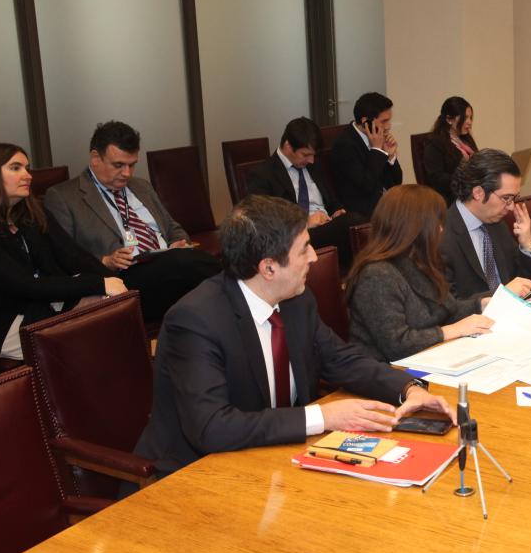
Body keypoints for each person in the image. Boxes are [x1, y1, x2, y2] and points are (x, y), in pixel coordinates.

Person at [133, 194, 454, 477]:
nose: (314, 257)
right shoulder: (196, 321)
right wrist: (322, 416)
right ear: (268, 268)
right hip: (194, 474)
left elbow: (340, 358)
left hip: (273, 457)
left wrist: (408, 389)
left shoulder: (296, 300)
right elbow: (212, 427)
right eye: (304, 249)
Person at [0, 143, 127, 358]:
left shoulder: (31, 213)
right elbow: (24, 285)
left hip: (37, 306)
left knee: (108, 304)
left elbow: (73, 256)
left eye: (27, 168)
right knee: (85, 339)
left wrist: (112, 281)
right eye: (16, 168)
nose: (27, 175)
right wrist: (98, 283)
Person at [44, 120, 221, 323]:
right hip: (122, 280)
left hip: (170, 268)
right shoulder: (64, 197)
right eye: (118, 165)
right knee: (189, 267)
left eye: (132, 164)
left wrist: (178, 243)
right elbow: (62, 261)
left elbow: (173, 228)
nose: (127, 173)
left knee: (191, 275)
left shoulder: (141, 186)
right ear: (95, 158)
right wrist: (106, 261)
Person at [347, 185, 496, 362]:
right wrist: (452, 331)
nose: (440, 230)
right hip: (386, 370)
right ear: (413, 227)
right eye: (436, 223)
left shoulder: (420, 260)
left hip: (429, 358)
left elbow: (448, 310)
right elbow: (397, 345)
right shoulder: (376, 275)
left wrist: (481, 304)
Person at [243, 117, 366, 269]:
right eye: (305, 154)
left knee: (360, 222)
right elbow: (264, 221)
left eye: (313, 155)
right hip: (297, 235)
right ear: (288, 146)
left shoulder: (314, 165)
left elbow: (331, 200)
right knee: (354, 223)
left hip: (327, 225)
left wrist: (337, 211)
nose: (311, 160)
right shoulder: (263, 174)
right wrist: (305, 222)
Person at [442, 148, 531, 301]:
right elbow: (447, 306)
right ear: (478, 193)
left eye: (514, 198)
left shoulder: (497, 225)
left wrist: (527, 245)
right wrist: (502, 294)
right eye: (506, 198)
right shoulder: (441, 236)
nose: (511, 207)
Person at [330, 91, 403, 219]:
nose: (388, 127)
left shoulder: (378, 138)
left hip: (385, 204)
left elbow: (396, 183)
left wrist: (390, 157)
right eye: (384, 121)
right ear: (365, 122)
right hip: (362, 210)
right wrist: (377, 150)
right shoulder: (345, 145)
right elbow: (367, 185)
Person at [422, 96, 477, 205]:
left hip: (469, 192)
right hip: (449, 199)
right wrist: (464, 176)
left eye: (470, 118)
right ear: (449, 119)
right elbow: (437, 179)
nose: (469, 122)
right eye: (465, 118)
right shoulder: (435, 143)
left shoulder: (466, 138)